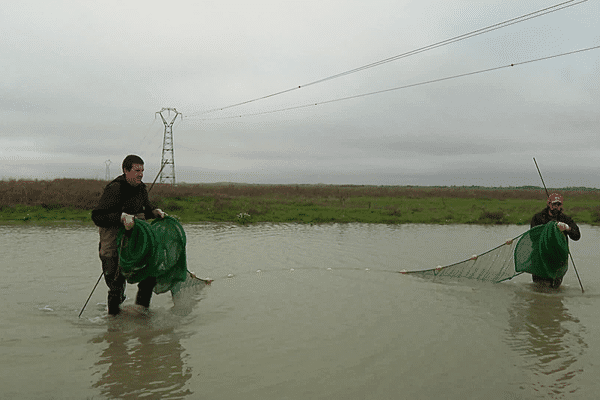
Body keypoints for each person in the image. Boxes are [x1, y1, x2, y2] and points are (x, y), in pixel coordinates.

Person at [92, 155, 166, 315]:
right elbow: (97, 216)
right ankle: (113, 321)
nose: (140, 174)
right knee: (116, 283)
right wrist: (120, 217)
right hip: (113, 241)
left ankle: (141, 310)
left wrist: (155, 212)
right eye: (136, 170)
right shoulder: (115, 188)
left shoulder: (141, 188)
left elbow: (147, 209)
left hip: (134, 241)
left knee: (149, 275)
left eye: (142, 171)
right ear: (125, 170)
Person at [530, 192, 580, 288]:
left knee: (555, 288)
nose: (556, 207)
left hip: (558, 260)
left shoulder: (565, 219)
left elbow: (577, 236)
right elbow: (533, 236)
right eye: (554, 204)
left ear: (561, 206)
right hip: (540, 257)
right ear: (549, 204)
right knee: (538, 288)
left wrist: (567, 228)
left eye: (558, 205)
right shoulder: (538, 218)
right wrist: (551, 228)